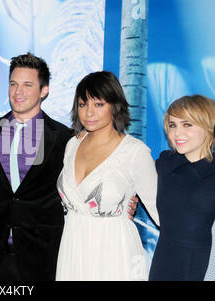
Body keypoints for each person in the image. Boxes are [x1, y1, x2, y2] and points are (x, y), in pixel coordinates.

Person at [0, 54, 138, 281]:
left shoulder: (65, 139)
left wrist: (126, 198)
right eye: (13, 84)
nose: (18, 92)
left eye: (27, 85)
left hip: (42, 257)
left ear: (44, 90)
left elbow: (95, 179)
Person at [55, 71, 159, 281]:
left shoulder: (135, 152)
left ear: (115, 105)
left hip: (115, 252)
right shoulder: (72, 145)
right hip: (72, 247)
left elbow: (162, 212)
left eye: (98, 104)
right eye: (83, 104)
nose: (89, 112)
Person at [149, 95, 215, 281]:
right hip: (163, 263)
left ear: (208, 125)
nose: (177, 133)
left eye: (187, 125)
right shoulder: (164, 164)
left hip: (204, 267)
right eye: (172, 125)